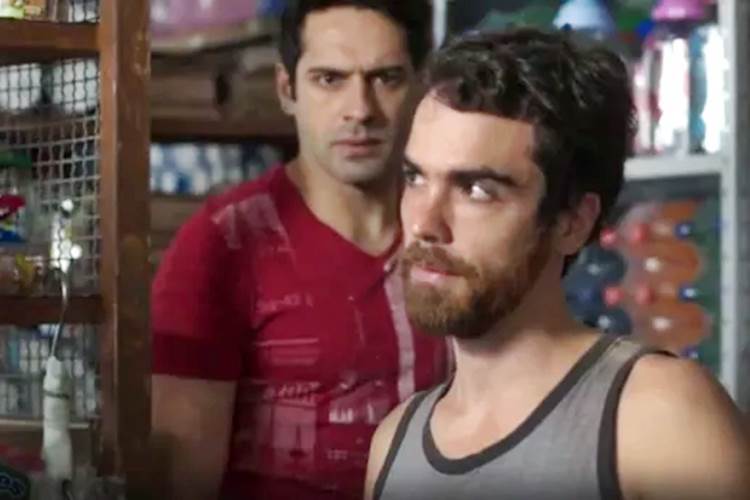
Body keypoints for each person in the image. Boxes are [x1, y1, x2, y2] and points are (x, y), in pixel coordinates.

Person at [365, 28, 750, 500]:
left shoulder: (659, 420)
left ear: (573, 222)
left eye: (477, 190)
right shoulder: (394, 444)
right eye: (415, 178)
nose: (425, 223)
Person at [150, 1, 447, 499]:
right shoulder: (223, 244)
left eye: (386, 78)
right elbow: (180, 480)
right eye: (330, 79)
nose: (360, 110)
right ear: (287, 90)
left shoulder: (453, 233)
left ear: (421, 86)